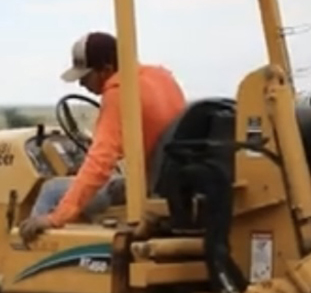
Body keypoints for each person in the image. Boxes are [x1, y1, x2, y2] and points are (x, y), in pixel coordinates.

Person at [18, 31, 187, 244]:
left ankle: (29, 265)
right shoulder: (162, 79)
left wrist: (56, 218)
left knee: (51, 191)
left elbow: (100, 161)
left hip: (150, 188)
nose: (81, 85)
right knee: (89, 189)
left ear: (106, 69)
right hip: (171, 182)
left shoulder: (119, 93)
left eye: (85, 76)